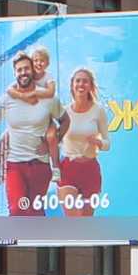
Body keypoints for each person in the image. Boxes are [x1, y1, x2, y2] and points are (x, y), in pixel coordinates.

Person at [0, 46, 61, 215]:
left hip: (40, 165)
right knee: (17, 209)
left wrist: (53, 142)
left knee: (36, 213)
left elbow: (65, 121)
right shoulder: (7, 99)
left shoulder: (48, 98)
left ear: (33, 70)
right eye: (19, 70)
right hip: (15, 165)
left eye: (26, 68)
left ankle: (39, 241)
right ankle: (16, 240)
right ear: (15, 73)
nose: (23, 72)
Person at [52, 66, 111, 216]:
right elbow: (53, 139)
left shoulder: (98, 111)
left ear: (91, 86)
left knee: (85, 220)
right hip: (68, 169)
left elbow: (107, 144)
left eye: (85, 81)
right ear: (72, 85)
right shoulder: (64, 112)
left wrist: (98, 143)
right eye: (78, 81)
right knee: (74, 218)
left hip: (90, 170)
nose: (81, 84)